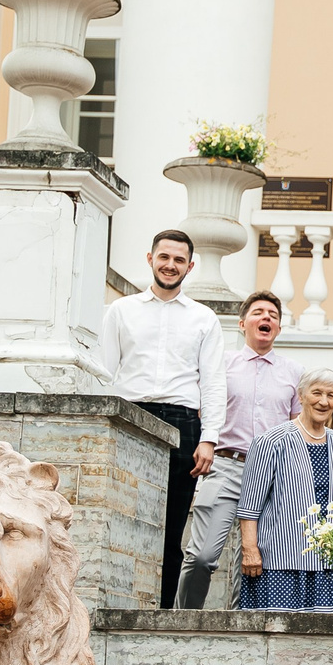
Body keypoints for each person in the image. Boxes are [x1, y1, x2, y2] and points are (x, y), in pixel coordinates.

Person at [98, 228, 224, 609]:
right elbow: (105, 373)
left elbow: (213, 383)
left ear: (190, 266)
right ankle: (117, 605)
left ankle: (161, 613)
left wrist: (209, 438)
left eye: (179, 260)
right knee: (123, 516)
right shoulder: (120, 311)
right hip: (131, 416)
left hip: (183, 424)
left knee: (171, 529)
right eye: (164, 257)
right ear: (150, 259)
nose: (171, 265)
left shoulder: (204, 319)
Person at [177, 290, 302, 609]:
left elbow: (297, 427)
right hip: (225, 465)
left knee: (253, 562)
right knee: (202, 556)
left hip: (271, 473)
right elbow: (203, 410)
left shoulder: (294, 372)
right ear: (242, 323)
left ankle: (238, 625)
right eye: (258, 312)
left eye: (273, 316)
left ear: (279, 328)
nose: (266, 318)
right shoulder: (221, 364)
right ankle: (183, 621)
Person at [235, 366, 333, 612]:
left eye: (331, 395)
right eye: (316, 393)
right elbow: (249, 505)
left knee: (324, 634)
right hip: (279, 563)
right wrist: (250, 550)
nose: (324, 401)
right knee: (274, 632)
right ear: (301, 396)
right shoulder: (271, 442)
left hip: (328, 565)